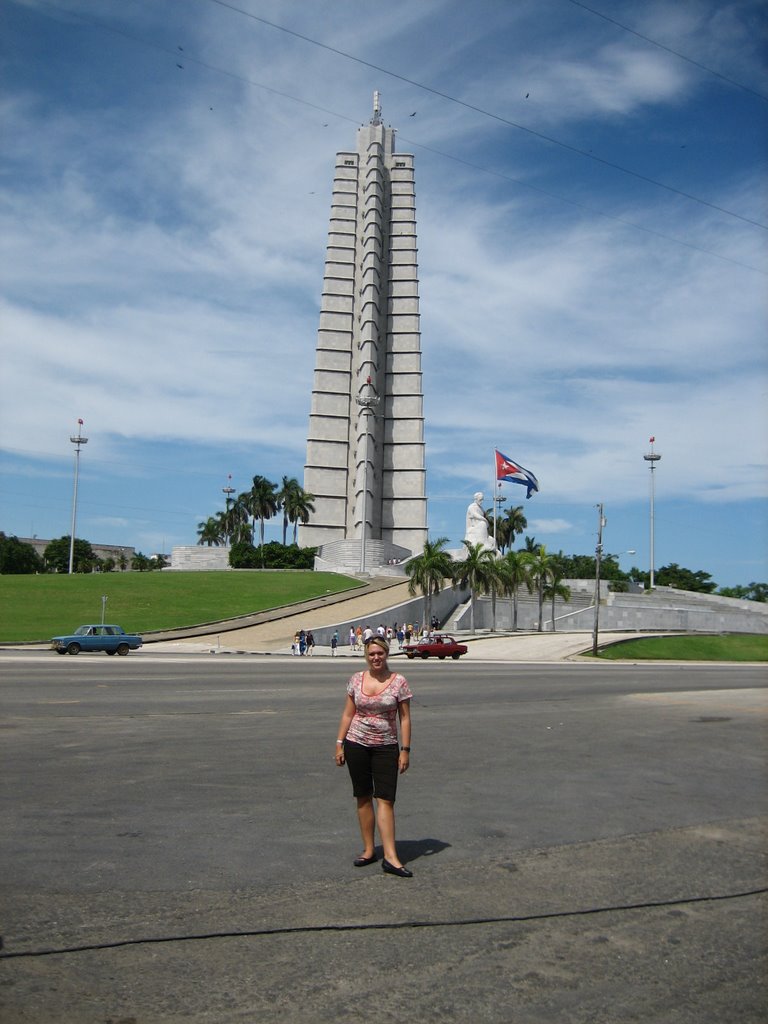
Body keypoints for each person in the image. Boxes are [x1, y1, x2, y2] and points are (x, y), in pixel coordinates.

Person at [334, 636, 413, 877]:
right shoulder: (356, 680)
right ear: (366, 656)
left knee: (386, 799)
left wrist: (405, 750)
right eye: (371, 654)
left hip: (386, 746)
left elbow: (405, 718)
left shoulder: (399, 682)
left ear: (387, 654)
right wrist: (339, 743)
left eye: (380, 653)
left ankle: (391, 856)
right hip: (356, 744)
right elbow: (348, 714)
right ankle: (369, 850)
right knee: (363, 797)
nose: (376, 658)